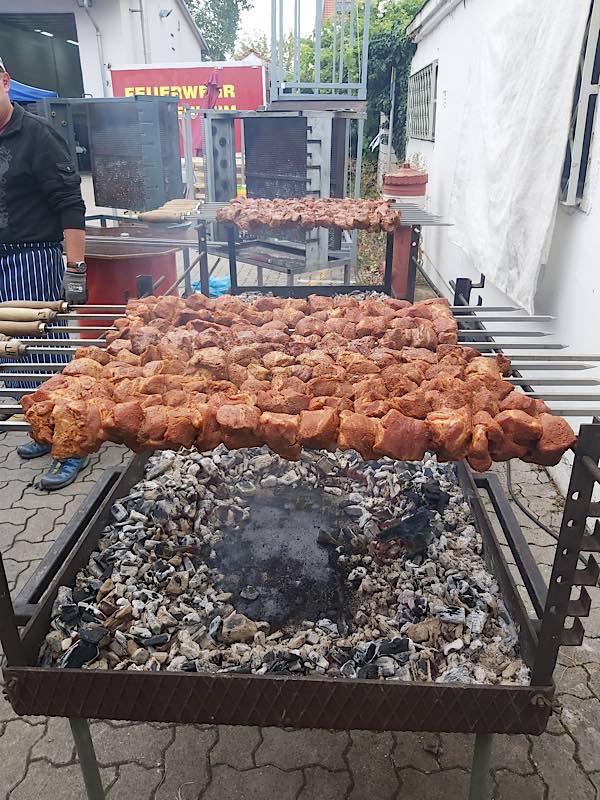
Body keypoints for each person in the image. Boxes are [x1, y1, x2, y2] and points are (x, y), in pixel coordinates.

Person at [0, 57, 90, 490]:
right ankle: (42, 427)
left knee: (50, 357)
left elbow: (71, 205)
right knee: (12, 355)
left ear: (4, 82)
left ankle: (71, 448)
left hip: (31, 258)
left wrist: (75, 271)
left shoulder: (37, 135)